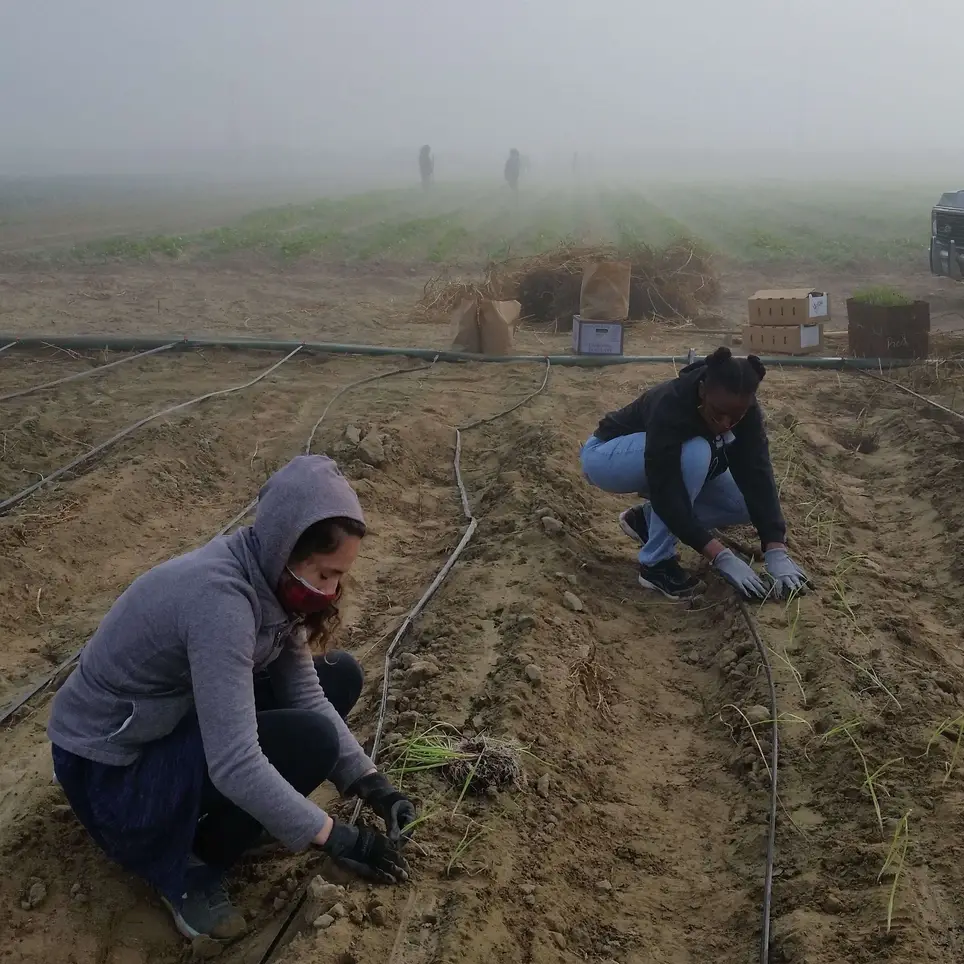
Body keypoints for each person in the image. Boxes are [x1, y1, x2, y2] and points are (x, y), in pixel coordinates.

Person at [47, 456, 416, 941]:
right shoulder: (221, 603)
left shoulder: (271, 581)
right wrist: (339, 837)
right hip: (111, 771)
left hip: (167, 719)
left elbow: (305, 692)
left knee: (338, 676)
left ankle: (247, 817)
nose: (331, 592)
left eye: (339, 577)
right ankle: (189, 866)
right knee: (310, 741)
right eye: (325, 574)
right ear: (286, 548)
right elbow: (235, 762)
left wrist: (372, 784)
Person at [580, 347, 810, 601]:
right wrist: (719, 555)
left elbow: (758, 472)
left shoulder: (746, 412)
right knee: (696, 451)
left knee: (744, 504)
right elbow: (666, 488)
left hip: (662, 465)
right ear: (702, 391)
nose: (726, 424)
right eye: (718, 413)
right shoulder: (671, 403)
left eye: (735, 417)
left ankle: (645, 521)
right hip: (606, 458)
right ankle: (656, 565)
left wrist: (775, 548)